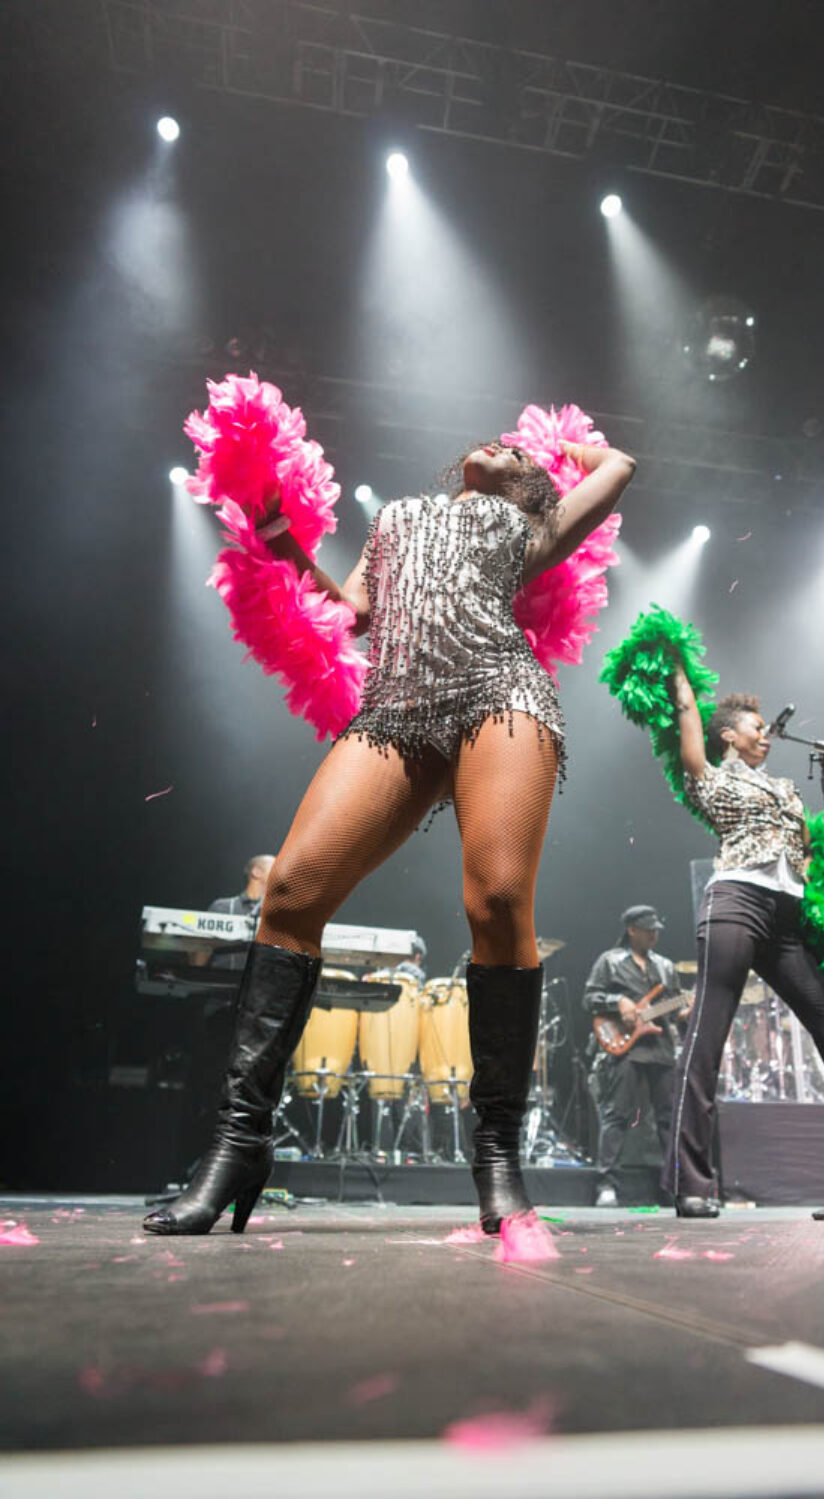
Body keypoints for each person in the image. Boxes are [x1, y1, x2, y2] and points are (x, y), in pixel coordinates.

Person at [144, 435, 636, 1236]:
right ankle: (239, 1142)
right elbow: (354, 614)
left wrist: (554, 448)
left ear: (535, 486)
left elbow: (618, 466)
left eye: (517, 450)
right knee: (290, 892)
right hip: (396, 708)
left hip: (500, 693)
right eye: (497, 438)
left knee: (498, 899)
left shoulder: (533, 527)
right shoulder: (398, 519)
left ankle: (497, 1155)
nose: (500, 443)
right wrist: (284, 541)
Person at [665, 675, 824, 1217]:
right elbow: (686, 708)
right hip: (736, 902)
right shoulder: (710, 778)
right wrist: (676, 670)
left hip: (786, 920)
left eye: (767, 729)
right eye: (756, 728)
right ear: (728, 736)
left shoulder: (786, 788)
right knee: (707, 1037)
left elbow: (808, 849)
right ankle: (691, 1184)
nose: (766, 735)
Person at [583, 905, 685, 1208]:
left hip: (660, 1047)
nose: (654, 935)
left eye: (656, 930)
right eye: (648, 929)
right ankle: (607, 1184)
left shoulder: (665, 966)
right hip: (627, 1047)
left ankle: (675, 1185)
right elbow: (589, 999)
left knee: (668, 1118)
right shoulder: (610, 961)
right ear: (632, 930)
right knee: (617, 1114)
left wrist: (685, 1011)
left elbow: (675, 1008)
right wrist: (618, 1001)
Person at [204, 855, 276, 970]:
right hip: (221, 978)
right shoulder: (222, 907)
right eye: (276, 867)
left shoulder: (278, 913)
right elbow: (201, 953)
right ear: (256, 872)